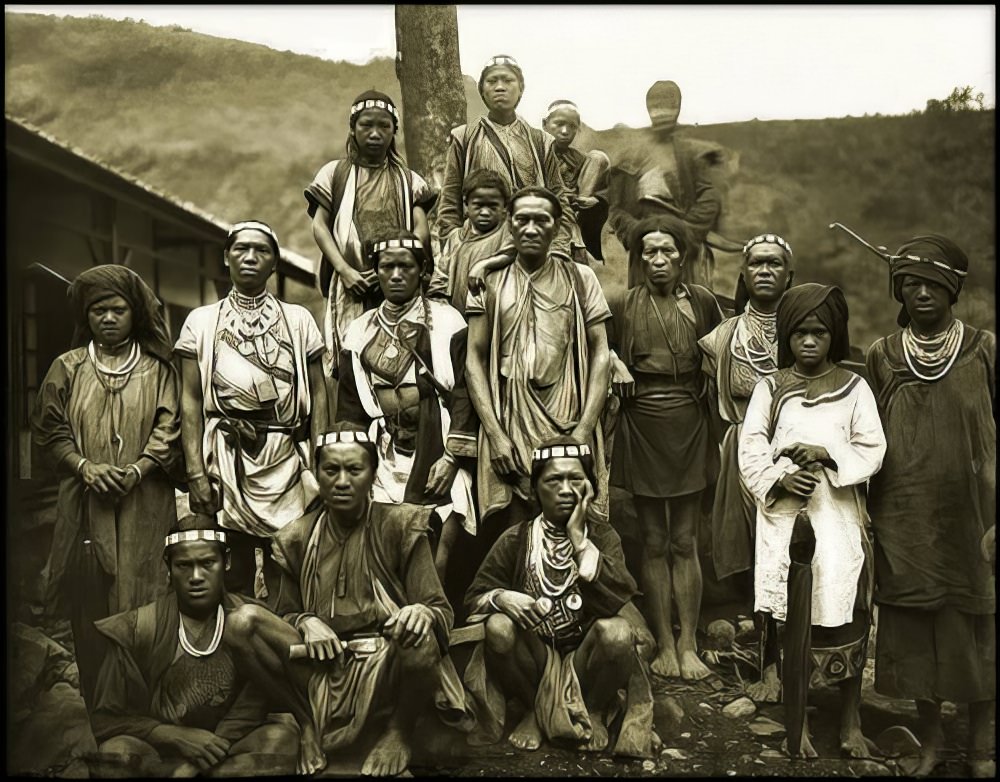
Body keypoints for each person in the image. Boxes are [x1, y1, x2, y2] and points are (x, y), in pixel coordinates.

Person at [221, 424, 472, 777]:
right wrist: (305, 621)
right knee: (240, 622)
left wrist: (421, 612)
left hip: (385, 665)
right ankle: (308, 723)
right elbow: (286, 612)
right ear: (317, 475)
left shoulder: (400, 524)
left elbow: (440, 611)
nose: (342, 481)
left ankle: (397, 733)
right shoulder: (294, 538)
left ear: (372, 474)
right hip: (321, 664)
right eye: (331, 470)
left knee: (421, 635)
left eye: (354, 470)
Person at [865, 235, 995, 778]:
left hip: (973, 514)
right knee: (914, 627)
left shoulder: (984, 348)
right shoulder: (882, 354)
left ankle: (983, 745)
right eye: (910, 284)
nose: (920, 293)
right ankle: (933, 742)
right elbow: (866, 436)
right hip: (905, 514)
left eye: (932, 284)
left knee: (977, 623)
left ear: (952, 289)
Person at [738, 283, 886, 758]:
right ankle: (795, 719)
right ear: (788, 336)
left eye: (819, 332)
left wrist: (827, 454)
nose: (808, 341)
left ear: (834, 335)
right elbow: (751, 449)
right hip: (785, 519)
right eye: (799, 332)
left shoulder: (854, 386)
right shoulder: (770, 387)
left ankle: (850, 717)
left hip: (837, 518)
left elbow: (873, 449)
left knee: (845, 607)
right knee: (791, 612)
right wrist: (781, 479)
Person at [32, 264, 180, 709]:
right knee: (89, 593)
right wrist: (84, 468)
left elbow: (170, 425)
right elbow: (48, 429)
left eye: (118, 309)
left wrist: (138, 469)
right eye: (98, 311)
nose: (109, 318)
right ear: (86, 316)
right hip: (84, 502)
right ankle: (102, 706)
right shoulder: (68, 367)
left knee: (147, 589)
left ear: (134, 313)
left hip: (146, 500)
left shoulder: (158, 369)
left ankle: (147, 701)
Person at [463, 437, 657, 757]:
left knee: (619, 632)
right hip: (535, 656)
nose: (566, 489)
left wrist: (580, 541)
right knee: (498, 627)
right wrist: (502, 598)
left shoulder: (603, 536)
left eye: (576, 480)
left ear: (590, 488)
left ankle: (592, 709)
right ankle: (533, 709)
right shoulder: (517, 538)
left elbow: (617, 597)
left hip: (585, 656)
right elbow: (473, 599)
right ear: (535, 488)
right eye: (554, 480)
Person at [175, 220, 328, 601]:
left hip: (286, 455)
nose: (250, 257)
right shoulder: (201, 321)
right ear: (226, 257)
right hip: (225, 458)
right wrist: (195, 471)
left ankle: (286, 645)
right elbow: (190, 400)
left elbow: (321, 394)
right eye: (241, 249)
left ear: (274, 262)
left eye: (261, 250)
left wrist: (321, 461)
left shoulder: (298, 320)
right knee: (232, 568)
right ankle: (238, 649)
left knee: (290, 563)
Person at [90, 517, 303, 777]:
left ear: (226, 562)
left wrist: (204, 755)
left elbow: (256, 701)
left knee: (281, 740)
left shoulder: (249, 623)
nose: (196, 577)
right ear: (168, 569)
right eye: (183, 566)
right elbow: (103, 721)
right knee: (116, 753)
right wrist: (170, 735)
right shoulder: (138, 629)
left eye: (207, 563)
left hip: (228, 749)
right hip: (159, 753)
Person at [606, 215, 723, 680]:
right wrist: (614, 363)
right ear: (638, 259)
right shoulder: (623, 305)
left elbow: (722, 356)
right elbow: (602, 351)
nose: (659, 260)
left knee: (686, 538)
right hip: (641, 422)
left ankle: (689, 642)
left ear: (683, 257)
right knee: (654, 539)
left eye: (667, 251)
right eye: (649, 252)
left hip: (690, 421)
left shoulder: (704, 303)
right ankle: (664, 643)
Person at [466, 186, 612, 530]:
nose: (531, 228)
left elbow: (601, 353)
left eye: (541, 220)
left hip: (568, 417)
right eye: (522, 220)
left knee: (575, 523)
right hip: (509, 420)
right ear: (510, 223)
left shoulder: (580, 277)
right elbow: (474, 357)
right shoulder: (489, 280)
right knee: (516, 531)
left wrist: (583, 431)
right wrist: (495, 434)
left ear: (557, 225)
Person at [337, 232, 478, 581]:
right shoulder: (359, 330)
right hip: (383, 449)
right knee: (382, 541)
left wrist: (452, 458)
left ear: (423, 271)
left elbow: (465, 392)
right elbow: (350, 406)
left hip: (437, 442)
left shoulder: (448, 321)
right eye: (387, 266)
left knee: (438, 542)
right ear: (376, 271)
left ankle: (433, 617)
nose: (396, 274)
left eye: (406, 266)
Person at [305, 90, 435, 375]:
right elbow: (320, 225)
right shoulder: (333, 174)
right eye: (367, 125)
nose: (375, 133)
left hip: (398, 280)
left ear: (394, 131)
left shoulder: (410, 180)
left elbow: (421, 232)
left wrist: (391, 270)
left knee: (403, 359)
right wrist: (345, 270)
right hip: (350, 281)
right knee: (348, 358)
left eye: (384, 126)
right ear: (352, 128)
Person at [699, 234, 794, 583]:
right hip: (738, 453)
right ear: (743, 275)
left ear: (790, 276)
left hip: (794, 453)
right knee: (751, 546)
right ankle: (753, 622)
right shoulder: (722, 337)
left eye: (775, 263)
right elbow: (709, 403)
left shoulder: (807, 335)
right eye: (756, 263)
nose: (765, 270)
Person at [437, 55, 577, 261]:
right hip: (479, 244)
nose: (500, 87)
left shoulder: (541, 141)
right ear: (482, 90)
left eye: (508, 81)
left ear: (520, 89)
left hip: (532, 243)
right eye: (492, 81)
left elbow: (559, 200)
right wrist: (455, 245)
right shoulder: (464, 137)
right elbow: (450, 201)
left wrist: (558, 248)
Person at [607, 80, 723, 288]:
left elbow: (709, 198)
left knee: (690, 305)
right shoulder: (629, 154)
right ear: (648, 108)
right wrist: (638, 232)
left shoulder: (691, 153)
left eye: (669, 105)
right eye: (656, 106)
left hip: (683, 246)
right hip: (644, 245)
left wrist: (683, 231)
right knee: (642, 310)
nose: (661, 112)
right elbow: (616, 209)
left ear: (678, 107)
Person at [426, 169, 511, 316]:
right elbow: (441, 276)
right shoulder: (456, 239)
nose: (485, 212)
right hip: (459, 316)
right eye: (478, 205)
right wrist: (440, 305)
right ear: (466, 205)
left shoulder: (508, 235)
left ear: (504, 207)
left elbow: (513, 252)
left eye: (492, 206)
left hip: (498, 315)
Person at [541, 99, 611, 266]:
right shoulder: (536, 153)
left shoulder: (580, 159)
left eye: (572, 126)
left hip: (577, 211)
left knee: (598, 157)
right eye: (558, 124)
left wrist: (595, 199)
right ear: (545, 124)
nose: (565, 131)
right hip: (546, 211)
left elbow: (606, 189)